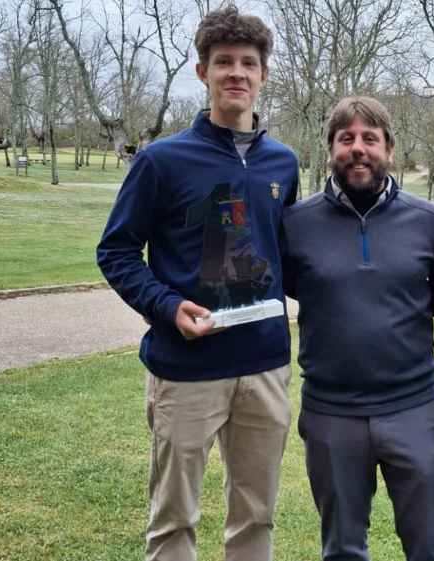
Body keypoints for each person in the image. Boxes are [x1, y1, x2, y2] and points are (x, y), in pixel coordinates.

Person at [96, 7, 298, 561]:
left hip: (264, 366)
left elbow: (289, 256)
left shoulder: (284, 163)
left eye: (249, 63)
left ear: (264, 75)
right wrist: (166, 306)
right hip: (185, 370)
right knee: (174, 518)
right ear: (201, 72)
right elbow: (115, 251)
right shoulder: (161, 161)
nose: (237, 72)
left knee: (257, 514)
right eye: (224, 62)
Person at [281, 96, 434, 561]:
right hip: (331, 413)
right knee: (342, 550)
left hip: (413, 408)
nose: (358, 149)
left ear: (389, 149)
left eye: (370, 139)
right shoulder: (296, 224)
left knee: (430, 547)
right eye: (346, 139)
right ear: (330, 148)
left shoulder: (428, 220)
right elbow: (296, 287)